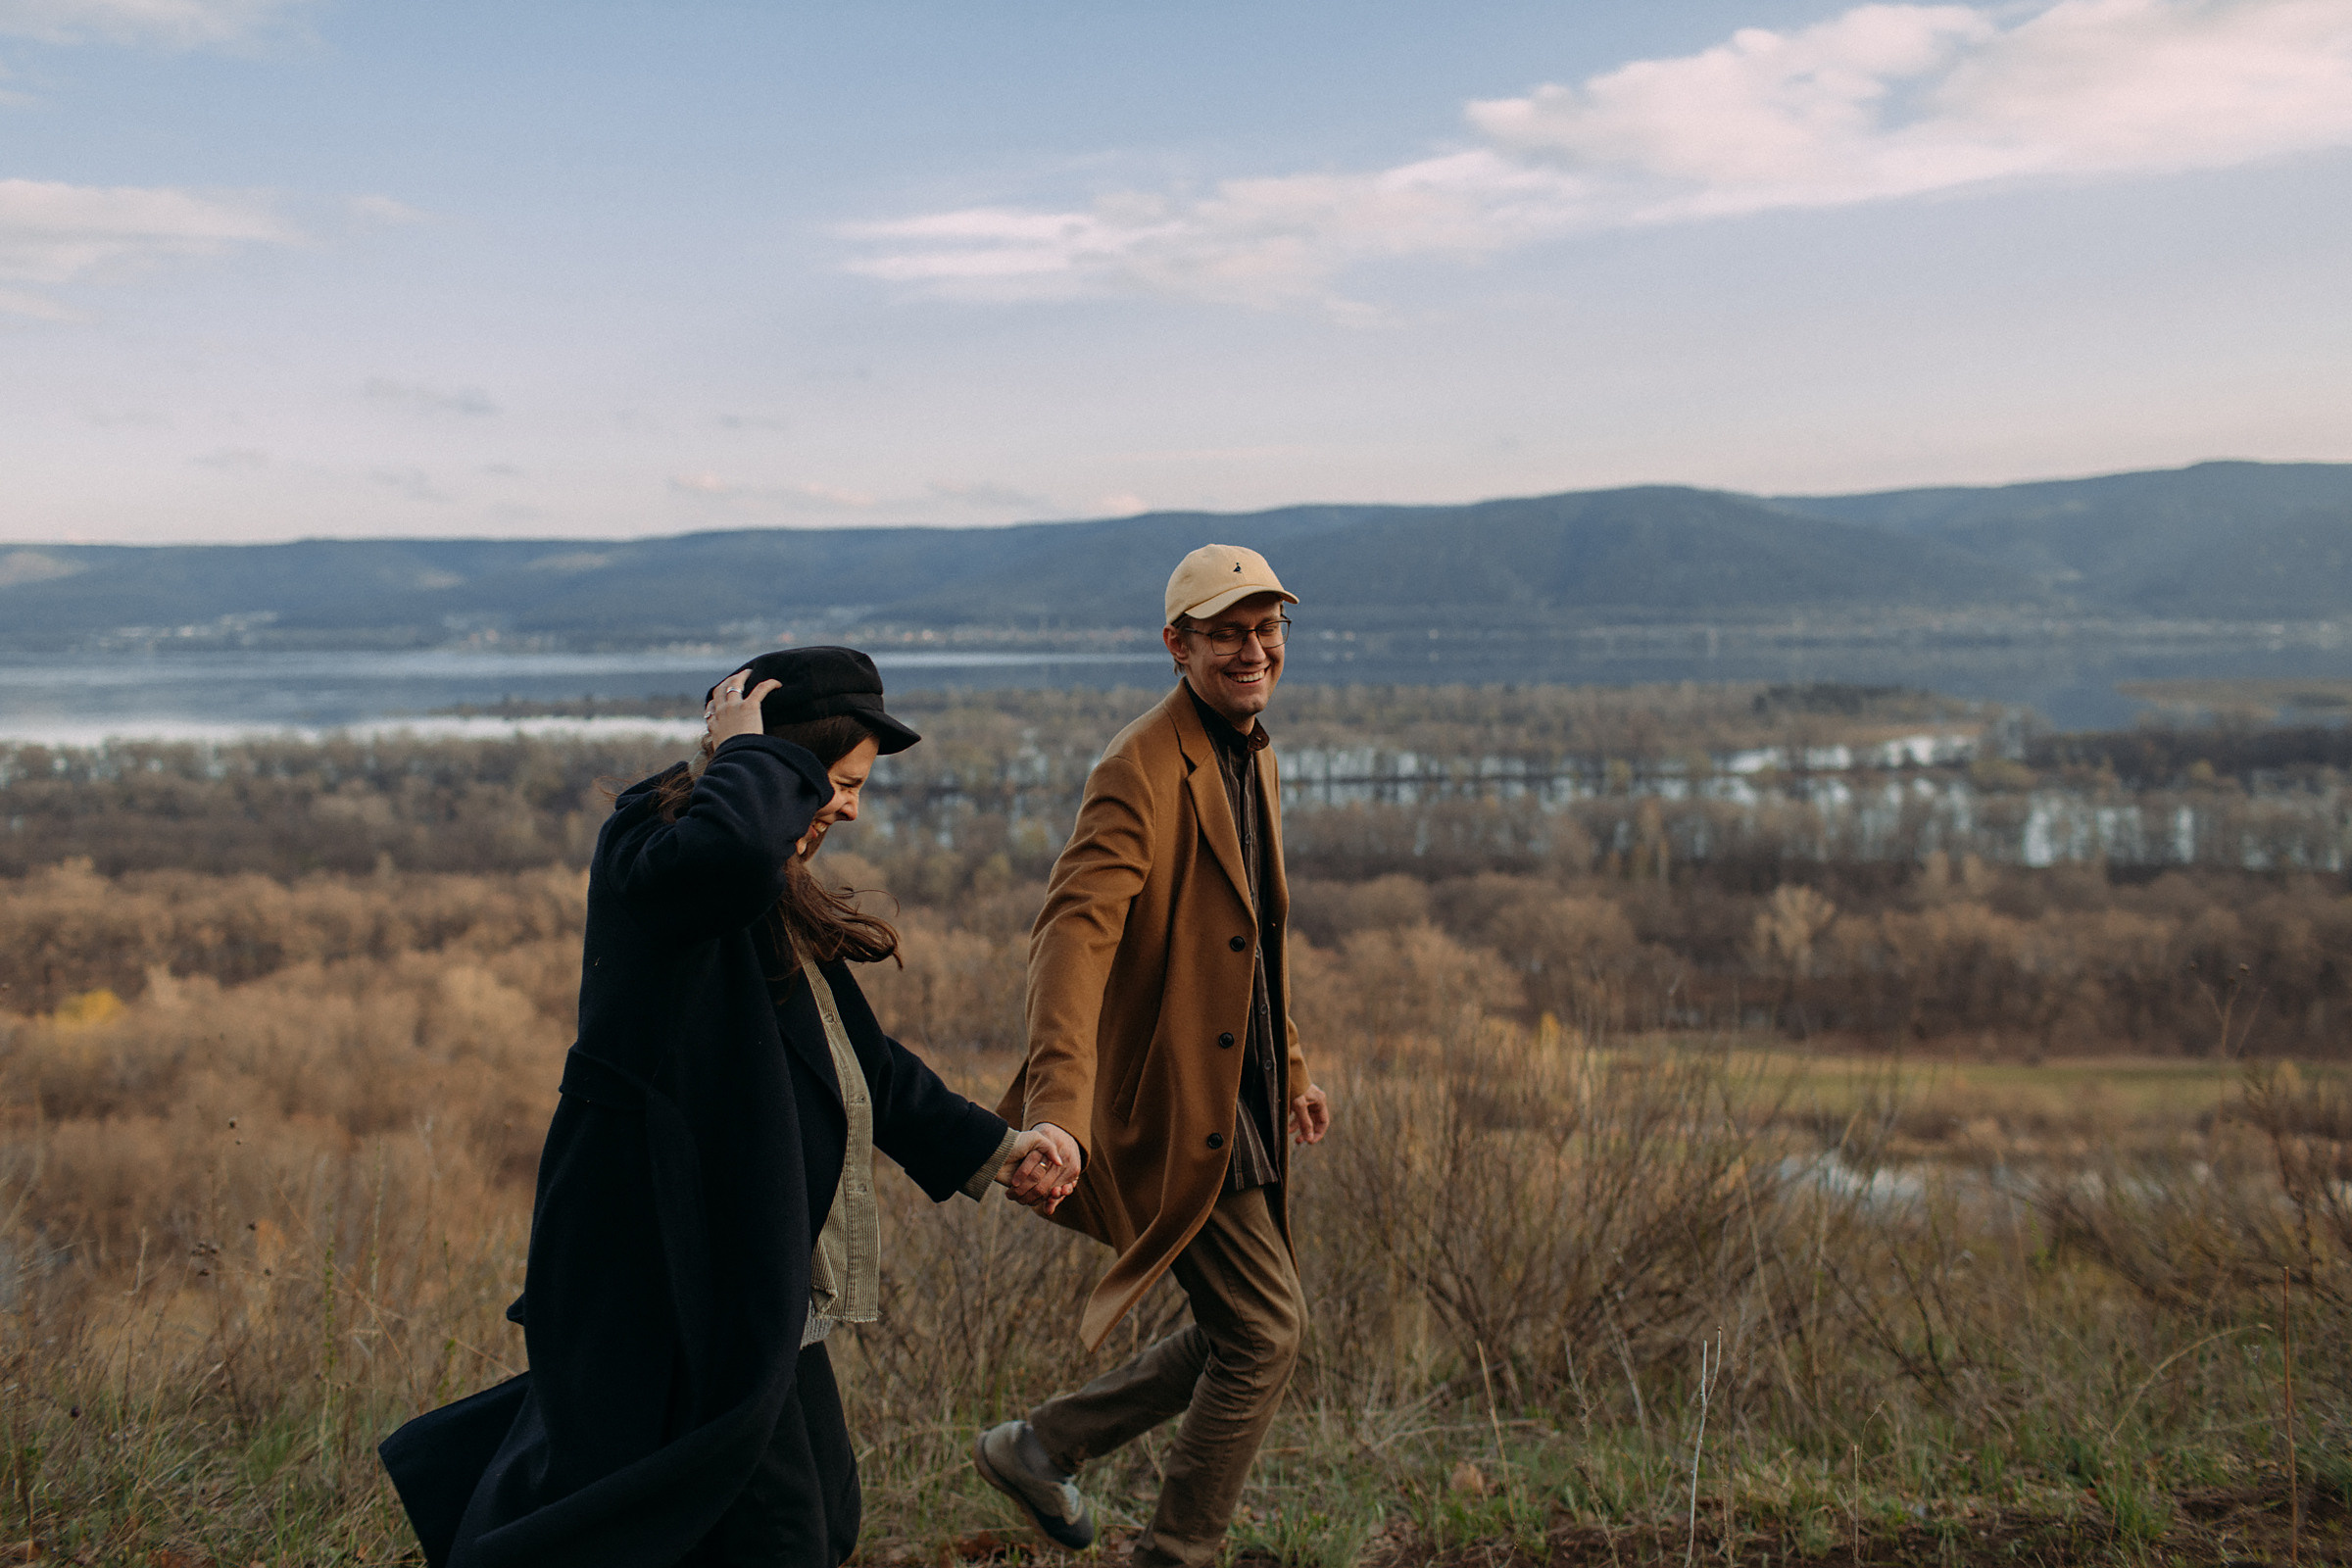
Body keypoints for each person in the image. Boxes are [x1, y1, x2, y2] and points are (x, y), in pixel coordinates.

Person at [379, 646, 1074, 1568]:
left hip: (756, 1267)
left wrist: (997, 1150)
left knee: (815, 1518)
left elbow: (858, 1062)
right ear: (775, 761)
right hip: (673, 1265)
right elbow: (729, 847)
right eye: (836, 781)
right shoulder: (658, 849)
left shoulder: (763, 880)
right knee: (767, 1533)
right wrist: (747, 750)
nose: (850, 807)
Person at [973, 545, 1334, 1568]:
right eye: (1228, 632)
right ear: (1177, 645)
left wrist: (1294, 1067)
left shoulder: (1248, 748)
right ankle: (1175, 1550)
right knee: (1264, 1334)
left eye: (1267, 629)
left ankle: (1038, 1446)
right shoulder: (1139, 766)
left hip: (1246, 1096)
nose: (1254, 648)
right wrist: (1059, 1112)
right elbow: (1071, 941)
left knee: (1246, 1324)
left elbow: (1254, 940)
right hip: (1179, 1107)